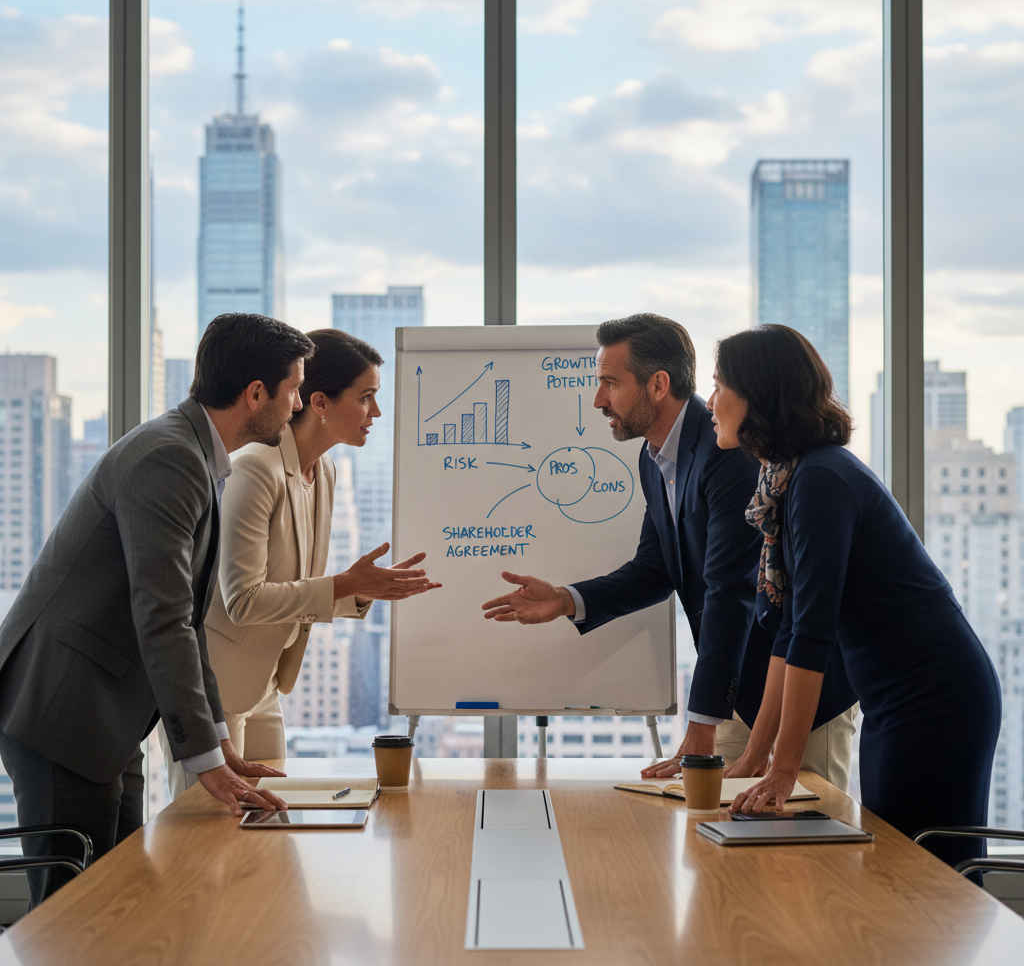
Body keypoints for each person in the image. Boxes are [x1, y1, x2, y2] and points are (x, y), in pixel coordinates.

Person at [0, 313, 312, 906]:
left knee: (125, 899)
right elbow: (163, 617)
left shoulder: (193, 452)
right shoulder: (170, 458)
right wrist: (204, 762)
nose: (297, 404)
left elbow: (188, 624)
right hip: (62, 708)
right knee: (72, 915)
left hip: (107, 712)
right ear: (254, 394)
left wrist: (217, 743)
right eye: (293, 389)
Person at [482, 313, 857, 783]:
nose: (598, 400)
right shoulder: (652, 457)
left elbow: (730, 593)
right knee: (723, 834)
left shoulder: (727, 451)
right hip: (739, 692)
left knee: (797, 845)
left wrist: (698, 731)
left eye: (610, 384)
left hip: (799, 692)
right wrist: (565, 600)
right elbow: (655, 568)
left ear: (658, 384)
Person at [717, 324, 1001, 870]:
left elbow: (812, 636)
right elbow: (787, 627)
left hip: (934, 697)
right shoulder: (794, 478)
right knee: (902, 868)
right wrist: (757, 756)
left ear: (756, 394)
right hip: (897, 697)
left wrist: (783, 768)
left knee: (929, 875)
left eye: (720, 385)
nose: (712, 403)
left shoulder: (821, 480)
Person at [161, 329, 440, 797]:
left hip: (267, 684)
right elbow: (243, 600)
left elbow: (300, 587)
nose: (375, 413)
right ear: (320, 402)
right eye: (366, 397)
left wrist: (360, 591)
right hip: (217, 694)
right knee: (210, 840)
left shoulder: (325, 470)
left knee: (269, 832)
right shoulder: (255, 468)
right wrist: (343, 583)